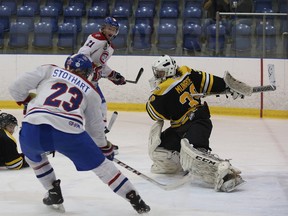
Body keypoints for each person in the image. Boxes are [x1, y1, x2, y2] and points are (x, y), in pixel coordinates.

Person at [8, 54, 150, 214]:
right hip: (68, 132)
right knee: (103, 167)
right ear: (88, 72)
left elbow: (15, 87)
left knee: (34, 158)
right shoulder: (92, 92)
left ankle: (53, 192)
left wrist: (26, 99)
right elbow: (95, 131)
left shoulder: (49, 70)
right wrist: (105, 148)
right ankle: (134, 198)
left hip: (33, 126)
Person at [146, 55, 253, 192]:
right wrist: (228, 87)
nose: (157, 75)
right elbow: (208, 81)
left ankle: (227, 174)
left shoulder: (161, 91)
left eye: (160, 72)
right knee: (161, 150)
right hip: (181, 127)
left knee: (195, 152)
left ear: (170, 71)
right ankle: (181, 165)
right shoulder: (186, 72)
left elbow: (153, 113)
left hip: (196, 122)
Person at [77, 16, 126, 153]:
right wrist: (87, 70)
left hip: (93, 84)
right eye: (109, 28)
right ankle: (95, 141)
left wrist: (114, 75)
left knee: (101, 108)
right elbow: (83, 54)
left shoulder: (110, 47)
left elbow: (100, 66)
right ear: (103, 28)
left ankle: (98, 140)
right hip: (84, 82)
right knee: (91, 111)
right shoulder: (97, 38)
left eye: (114, 29)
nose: (111, 31)